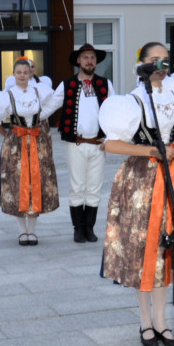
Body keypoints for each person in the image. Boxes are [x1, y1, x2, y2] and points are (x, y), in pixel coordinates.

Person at [100, 42, 174, 346]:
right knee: (143, 250)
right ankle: (145, 322)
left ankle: (162, 321)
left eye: (164, 60)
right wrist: (150, 150)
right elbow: (110, 144)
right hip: (142, 181)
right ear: (142, 64)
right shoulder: (130, 101)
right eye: (153, 60)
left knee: (169, 250)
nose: (160, 66)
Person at [0, 58, 63, 245]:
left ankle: (32, 230)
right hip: (16, 145)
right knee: (17, 185)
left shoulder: (39, 91)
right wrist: (7, 134)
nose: (22, 76)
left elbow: (47, 110)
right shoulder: (7, 95)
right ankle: (22, 230)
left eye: (25, 72)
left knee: (36, 183)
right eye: (19, 72)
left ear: (30, 74)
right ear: (14, 75)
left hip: (38, 142)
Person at [57, 44, 113, 243]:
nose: (90, 61)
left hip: (98, 144)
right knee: (77, 186)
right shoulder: (67, 85)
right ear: (78, 61)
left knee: (95, 187)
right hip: (77, 144)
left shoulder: (106, 84)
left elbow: (113, 111)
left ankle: (89, 228)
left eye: (92, 58)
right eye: (86, 57)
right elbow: (49, 105)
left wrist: (112, 136)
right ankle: (78, 228)